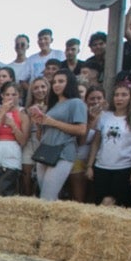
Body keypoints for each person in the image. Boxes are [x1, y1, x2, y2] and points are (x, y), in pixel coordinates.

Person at [28, 69, 87, 201]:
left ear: (70, 83)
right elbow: (40, 136)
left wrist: (53, 122)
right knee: (44, 194)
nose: (56, 85)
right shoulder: (52, 105)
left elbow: (81, 130)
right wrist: (39, 123)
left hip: (63, 152)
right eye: (54, 82)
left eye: (61, 81)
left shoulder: (76, 103)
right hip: (45, 151)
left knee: (47, 197)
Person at [89, 82, 131, 208]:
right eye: (116, 95)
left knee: (118, 204)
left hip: (124, 167)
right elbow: (96, 142)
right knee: (101, 203)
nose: (119, 98)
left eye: (124, 95)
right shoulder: (105, 116)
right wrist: (90, 165)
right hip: (102, 166)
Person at [0, 84, 28, 197]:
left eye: (14, 94)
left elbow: (23, 140)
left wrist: (13, 125)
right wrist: (3, 111)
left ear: (19, 96)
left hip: (13, 147)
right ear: (2, 96)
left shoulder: (23, 114)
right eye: (7, 94)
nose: (10, 97)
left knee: (9, 181)